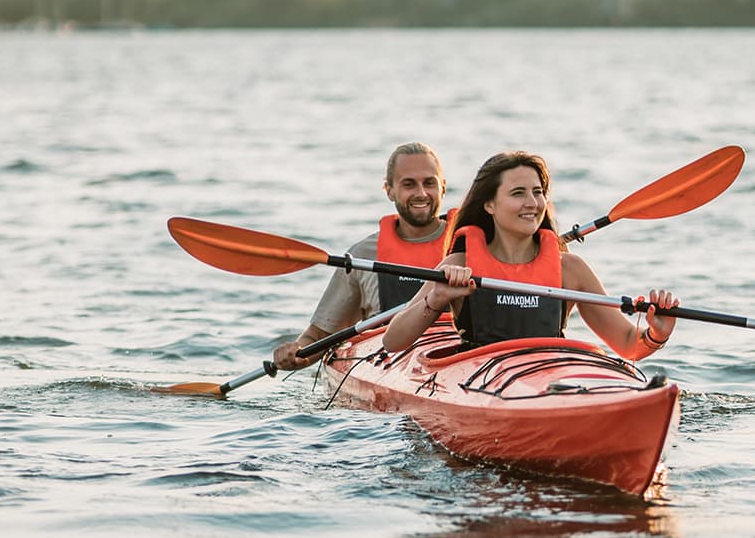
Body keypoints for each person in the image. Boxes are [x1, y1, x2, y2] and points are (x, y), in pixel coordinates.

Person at [382, 151, 680, 359]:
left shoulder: (571, 270)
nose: (533, 203)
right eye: (518, 193)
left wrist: (656, 334)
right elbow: (393, 342)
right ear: (489, 205)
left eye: (538, 192)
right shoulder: (459, 265)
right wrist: (437, 300)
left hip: (547, 376)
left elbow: (629, 345)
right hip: (478, 380)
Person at [271, 142, 449, 371]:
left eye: (429, 183)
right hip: (388, 367)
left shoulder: (467, 247)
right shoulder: (363, 256)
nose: (421, 193)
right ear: (389, 191)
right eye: (409, 184)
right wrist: (296, 353)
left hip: (454, 362)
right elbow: (320, 335)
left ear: (442, 187)